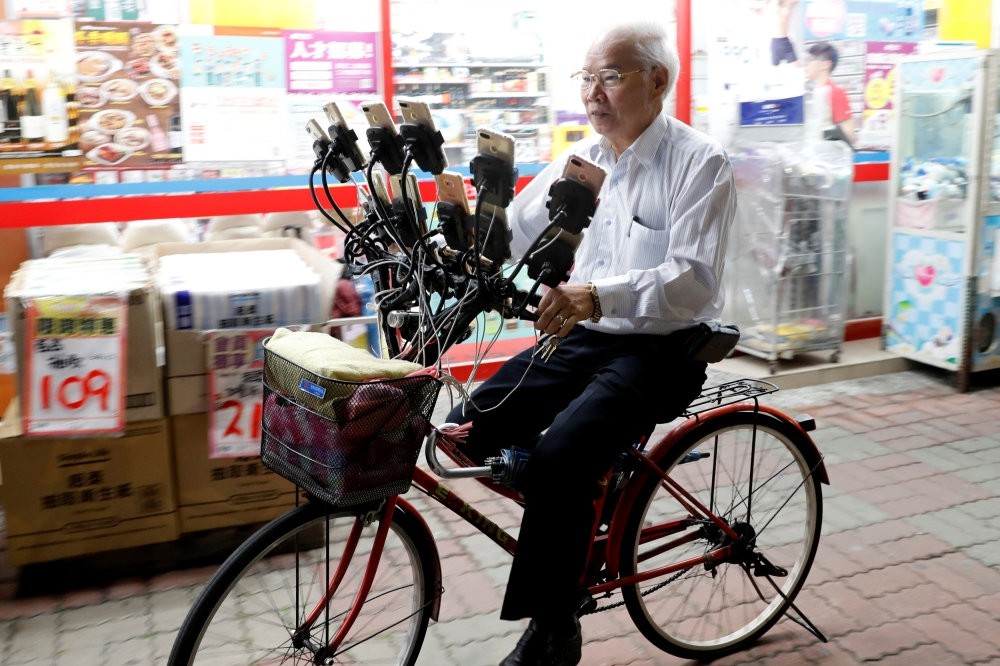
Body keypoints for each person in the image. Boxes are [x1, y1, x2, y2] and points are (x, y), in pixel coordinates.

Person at [445, 21, 737, 666]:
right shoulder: (581, 161)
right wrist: (460, 244)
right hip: (583, 337)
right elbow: (514, 235)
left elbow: (693, 281)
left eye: (610, 76)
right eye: (586, 78)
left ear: (657, 80)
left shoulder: (700, 162)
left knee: (559, 460)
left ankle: (556, 628)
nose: (592, 93)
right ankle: (578, 507)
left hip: (660, 349)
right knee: (467, 430)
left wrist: (596, 295)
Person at [804, 41, 856, 146]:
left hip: (826, 154)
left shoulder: (836, 93)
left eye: (810, 59)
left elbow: (849, 135)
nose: (806, 64)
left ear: (825, 65)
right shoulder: (807, 94)